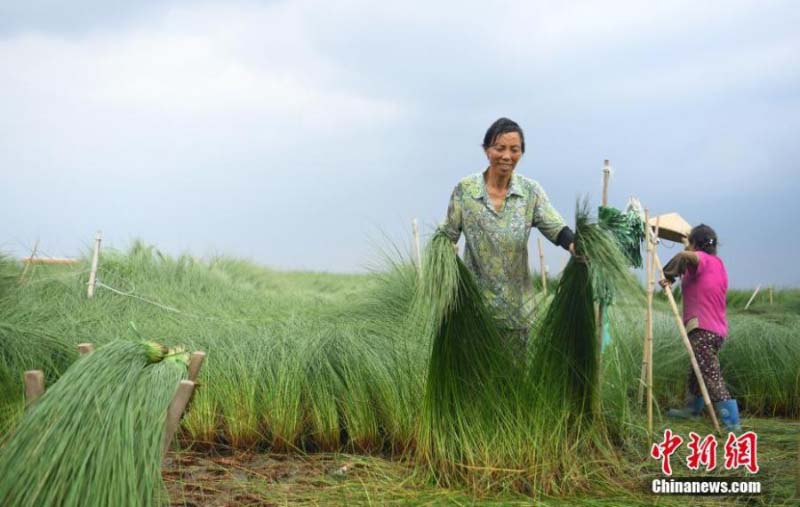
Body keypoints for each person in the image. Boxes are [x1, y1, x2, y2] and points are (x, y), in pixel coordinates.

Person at [441, 117, 575, 346]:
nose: (506, 156)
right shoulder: (465, 190)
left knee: (512, 379)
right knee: (476, 378)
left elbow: (555, 226)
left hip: (517, 312)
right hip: (474, 311)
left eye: (514, 150)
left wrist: (575, 245)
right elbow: (447, 236)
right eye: (499, 148)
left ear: (521, 153)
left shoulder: (530, 191)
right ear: (486, 150)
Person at [660, 224, 741, 431]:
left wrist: (668, 275)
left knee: (710, 374)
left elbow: (686, 257)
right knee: (697, 370)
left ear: (695, 244)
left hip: (703, 329)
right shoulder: (717, 264)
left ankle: (731, 423)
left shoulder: (701, 259)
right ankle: (692, 410)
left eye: (689, 242)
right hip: (716, 330)